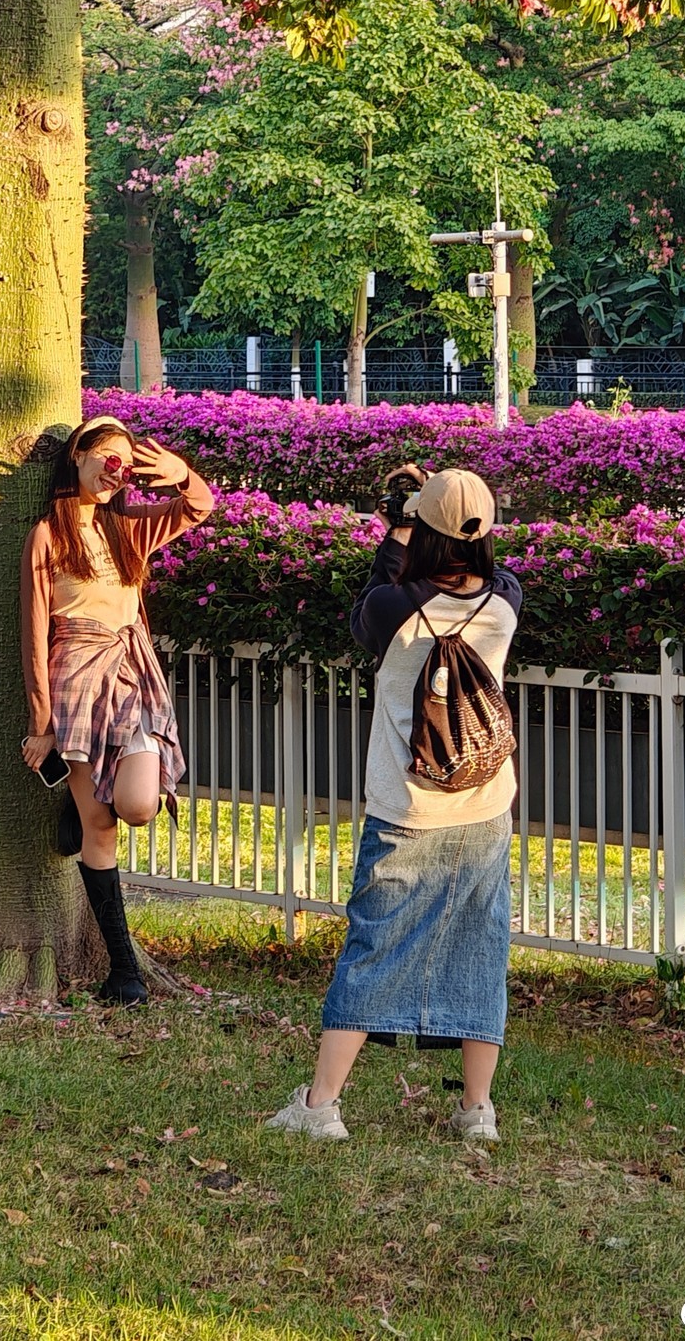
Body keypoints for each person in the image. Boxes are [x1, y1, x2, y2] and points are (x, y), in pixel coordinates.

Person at [267, 464, 522, 1143]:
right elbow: (493, 574)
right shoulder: (505, 602)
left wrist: (397, 524)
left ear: (425, 531)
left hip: (405, 806)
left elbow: (370, 604)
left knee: (372, 948)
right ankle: (477, 1110)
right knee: (479, 947)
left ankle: (321, 1105)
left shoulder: (395, 608)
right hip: (484, 805)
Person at [20, 415, 214, 1004]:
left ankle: (79, 812)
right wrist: (41, 723)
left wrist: (181, 475)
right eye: (103, 454)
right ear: (77, 457)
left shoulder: (128, 527)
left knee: (137, 806)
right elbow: (31, 631)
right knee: (102, 830)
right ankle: (124, 972)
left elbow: (198, 507)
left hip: (132, 674)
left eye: (122, 460)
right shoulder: (47, 536)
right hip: (74, 676)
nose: (113, 467)